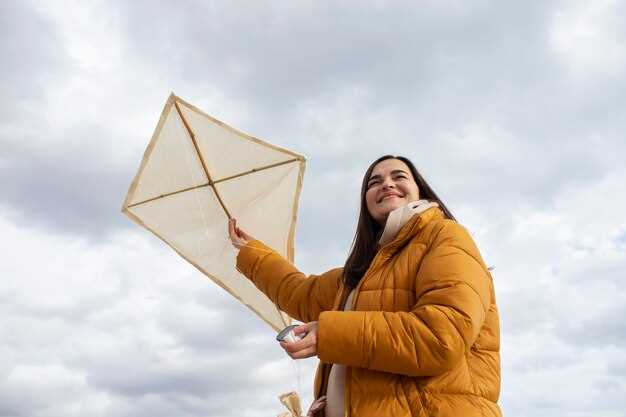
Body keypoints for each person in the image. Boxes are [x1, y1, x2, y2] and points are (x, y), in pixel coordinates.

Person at [228, 155, 501, 417]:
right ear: (366, 202)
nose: (387, 184)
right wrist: (252, 251)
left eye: (399, 176)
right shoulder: (356, 275)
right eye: (374, 182)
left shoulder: (446, 236)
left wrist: (329, 335)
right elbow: (298, 292)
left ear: (420, 191)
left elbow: (442, 336)